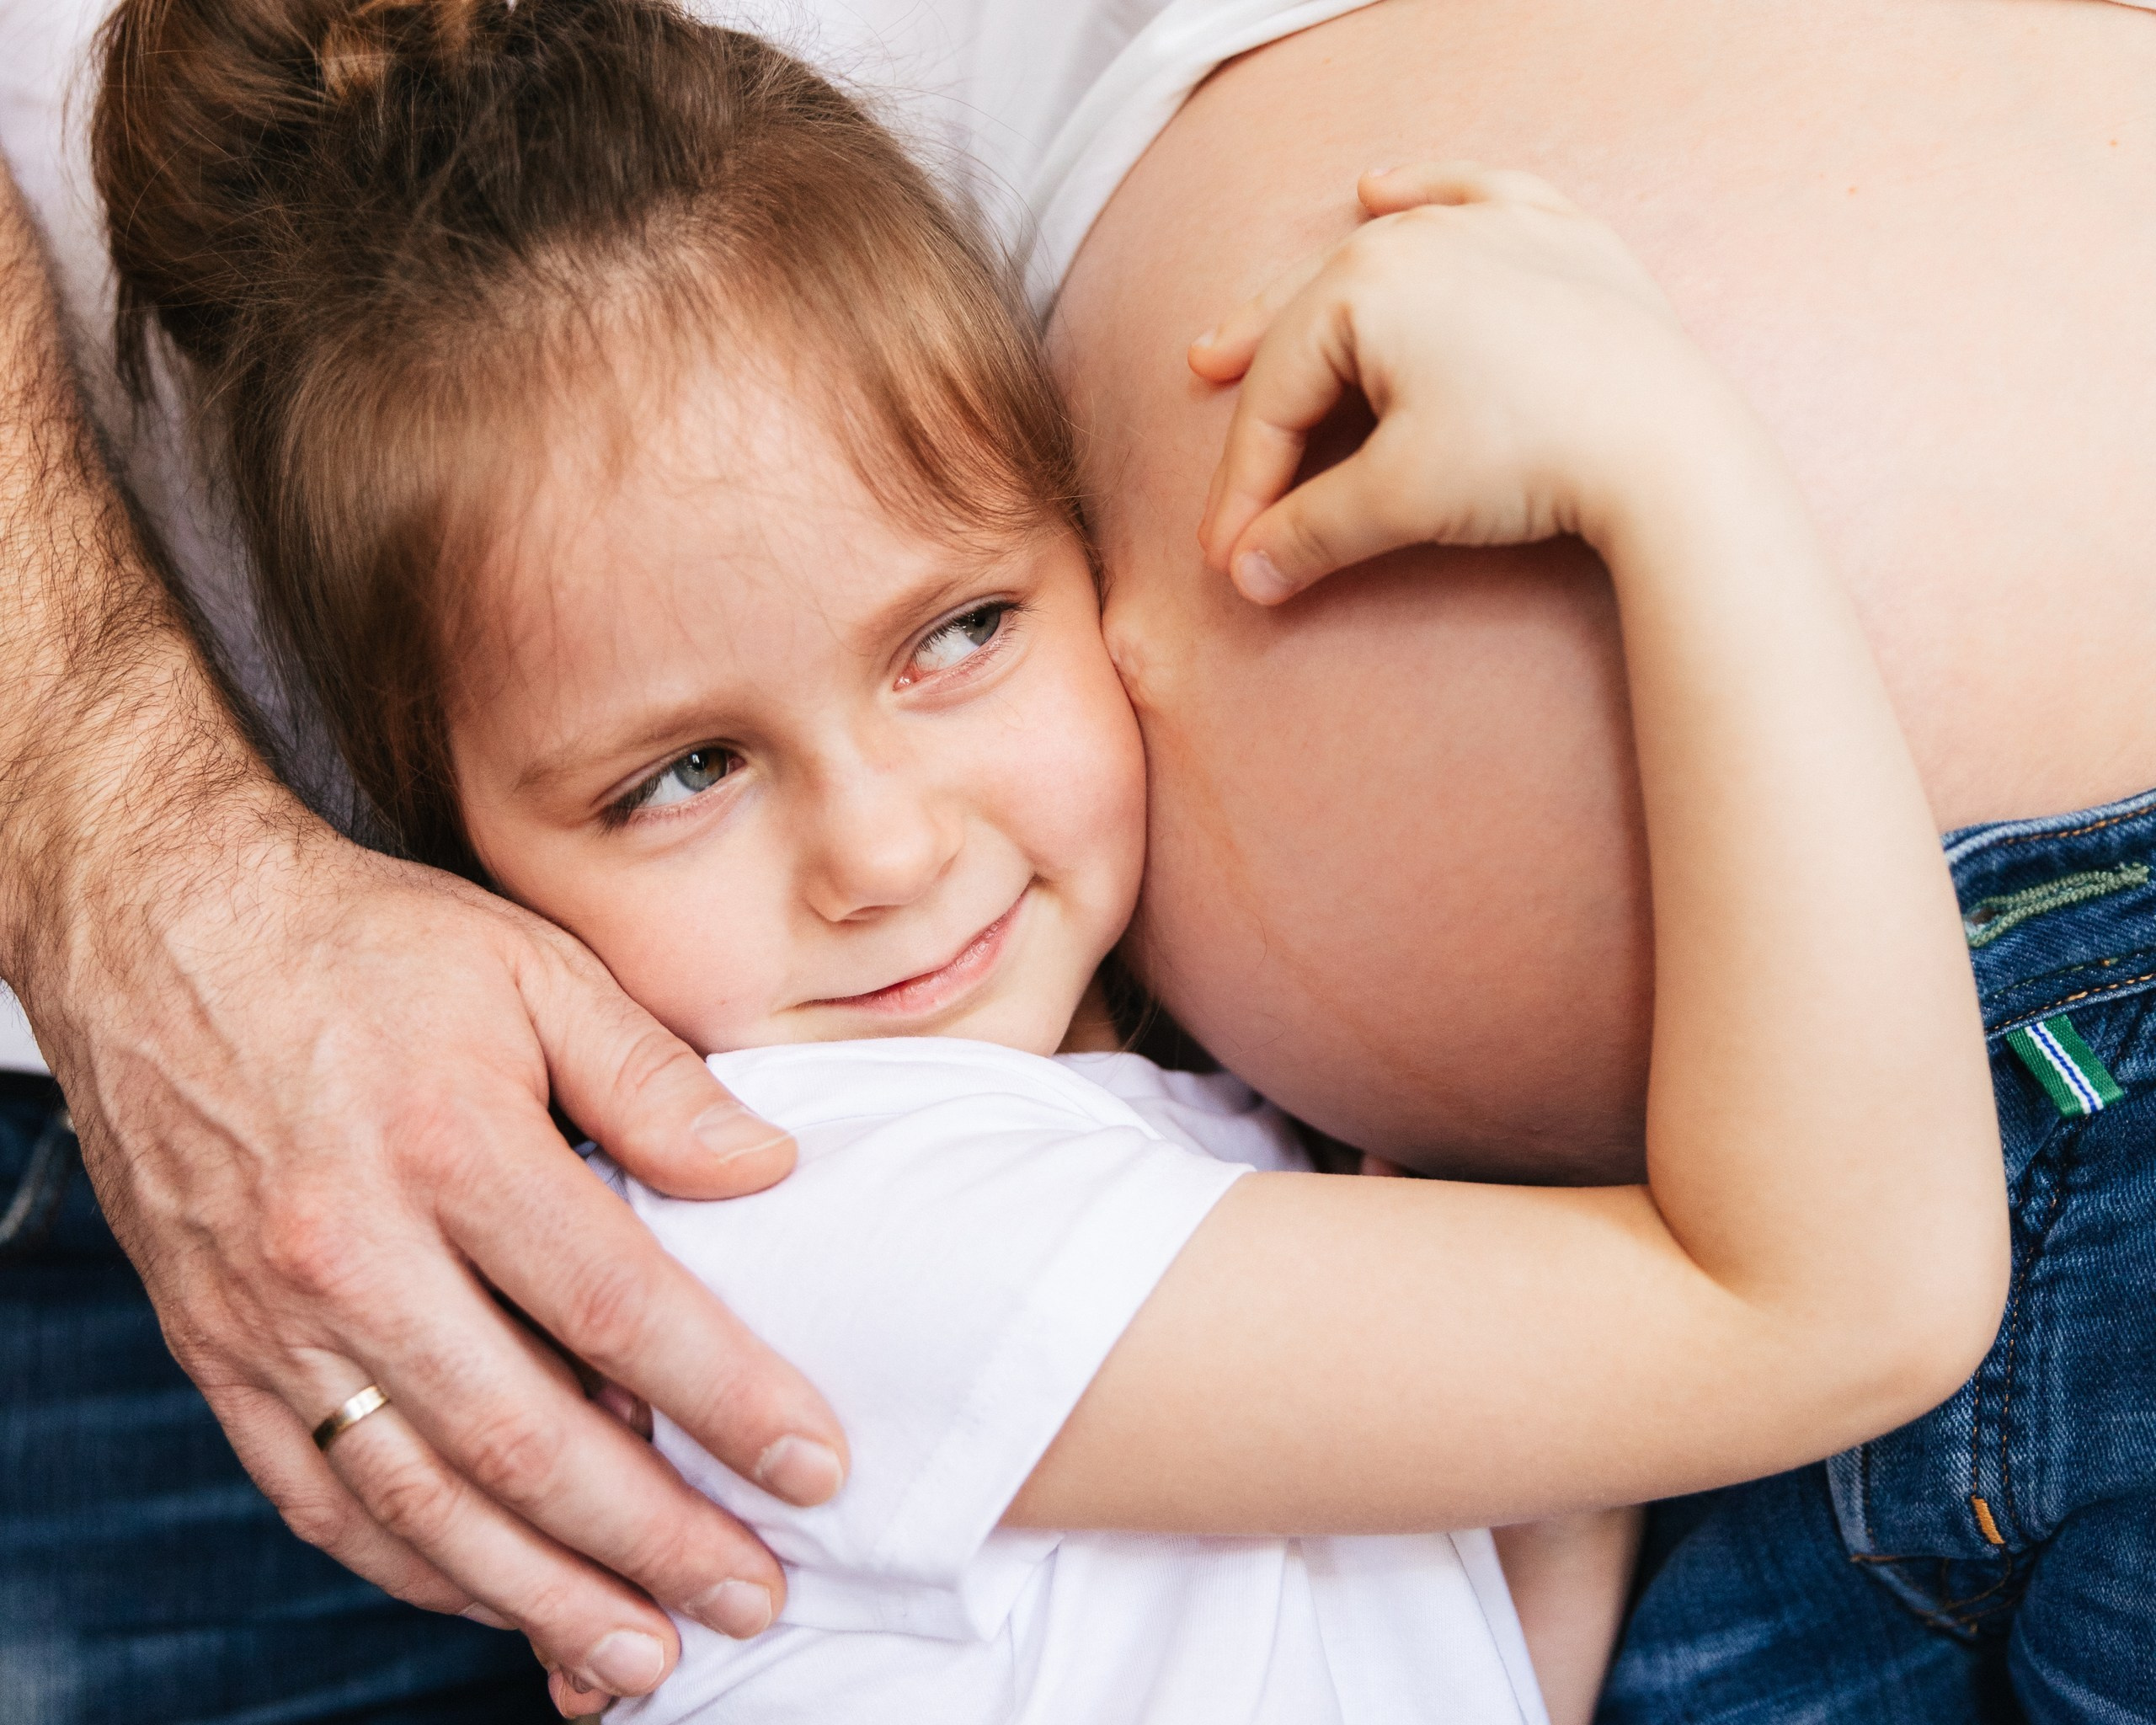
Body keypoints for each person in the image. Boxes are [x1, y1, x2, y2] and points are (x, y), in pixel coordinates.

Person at [0, 0, 2149, 1717]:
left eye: (954, 633)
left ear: (1088, 547)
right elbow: (1836, 1312)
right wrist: (1663, 468)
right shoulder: (789, 1241)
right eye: (676, 774)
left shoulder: (1123, 1159)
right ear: (442, 850)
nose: (879, 845)